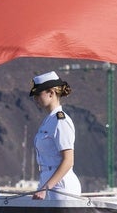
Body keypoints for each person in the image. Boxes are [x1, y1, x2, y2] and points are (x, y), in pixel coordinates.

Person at [30, 71, 81, 200]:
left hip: (61, 187)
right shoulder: (49, 121)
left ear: (51, 93)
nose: (35, 99)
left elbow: (68, 161)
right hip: (48, 182)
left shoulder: (61, 121)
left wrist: (45, 188)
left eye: (38, 94)